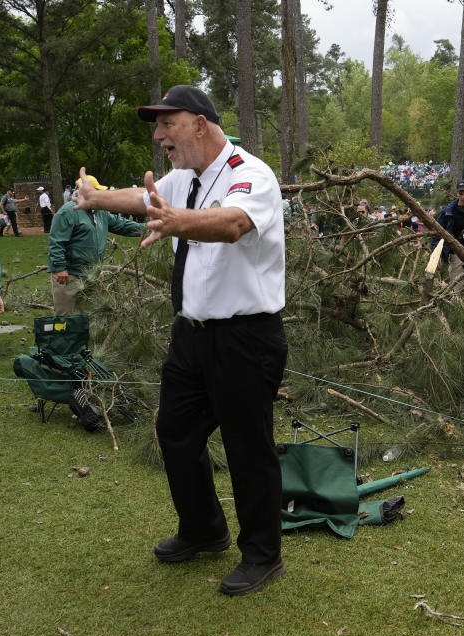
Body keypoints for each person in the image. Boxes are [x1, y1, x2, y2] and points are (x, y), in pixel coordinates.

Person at [74, 85, 287, 596]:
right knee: (175, 432)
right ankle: (204, 530)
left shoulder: (249, 174)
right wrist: (97, 198)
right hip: (191, 337)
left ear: (198, 123)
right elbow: (145, 197)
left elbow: (234, 224)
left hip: (245, 338)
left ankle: (262, 555)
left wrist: (177, 222)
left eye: (166, 123)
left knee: (246, 446)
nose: (158, 135)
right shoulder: (186, 178)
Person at [47, 177, 145, 314]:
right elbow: (56, 241)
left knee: (89, 317)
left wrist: (148, 229)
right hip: (69, 276)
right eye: (96, 191)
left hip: (91, 275)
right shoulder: (68, 211)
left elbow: (122, 224)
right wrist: (60, 267)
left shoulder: (100, 212)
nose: (99, 195)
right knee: (67, 320)